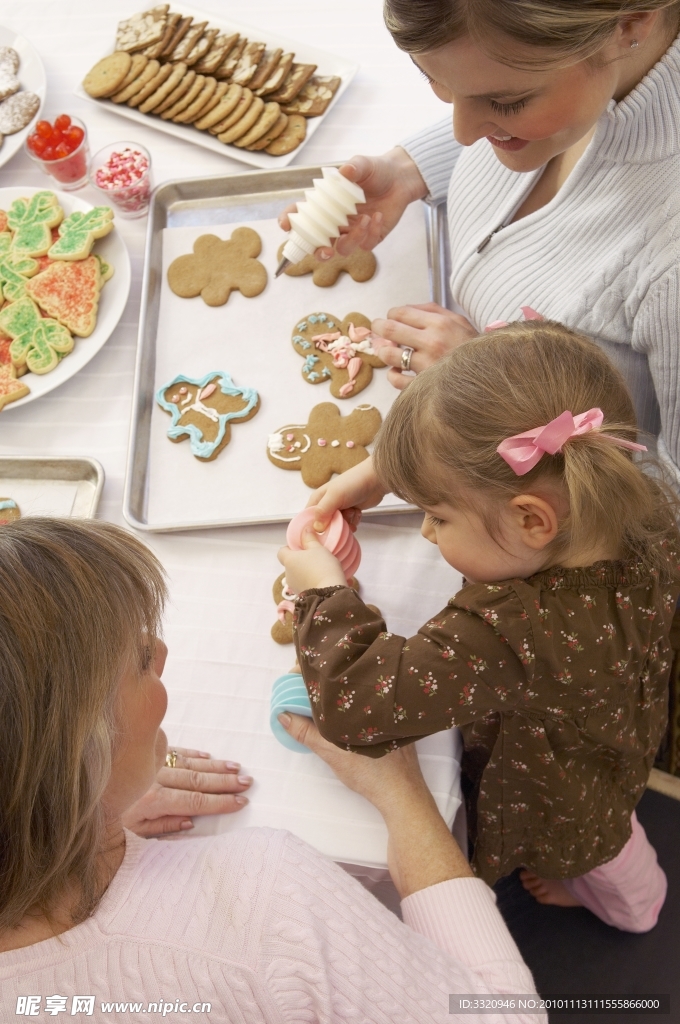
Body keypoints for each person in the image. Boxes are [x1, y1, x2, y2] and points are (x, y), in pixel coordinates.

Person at [279, 0, 680, 773]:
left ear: (632, 22)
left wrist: (493, 380)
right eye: (436, 84)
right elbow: (492, 105)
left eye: (502, 103)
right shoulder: (563, 79)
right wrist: (412, 168)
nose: (466, 131)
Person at [0, 517, 544, 1024]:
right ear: (85, 753)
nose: (160, 651)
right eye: (140, 662)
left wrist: (72, 814)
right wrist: (405, 799)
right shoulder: (268, 901)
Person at [279, 321, 679, 933]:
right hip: (619, 720)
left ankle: (637, 908)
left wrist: (320, 591)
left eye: (437, 515)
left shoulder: (513, 628)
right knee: (612, 809)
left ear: (532, 521)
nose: (426, 532)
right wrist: (394, 471)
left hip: (561, 787)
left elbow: (361, 703)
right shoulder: (638, 499)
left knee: (602, 841)